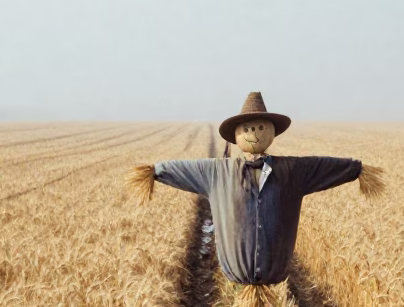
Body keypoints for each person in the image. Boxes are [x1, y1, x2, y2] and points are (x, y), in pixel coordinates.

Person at [129, 91, 382, 288]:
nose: (254, 134)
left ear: (271, 131)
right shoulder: (219, 172)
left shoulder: (291, 171)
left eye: (260, 128)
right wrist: (156, 171)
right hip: (236, 271)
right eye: (248, 129)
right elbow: (186, 169)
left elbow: (322, 167)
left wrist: (355, 169)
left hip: (275, 268)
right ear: (237, 135)